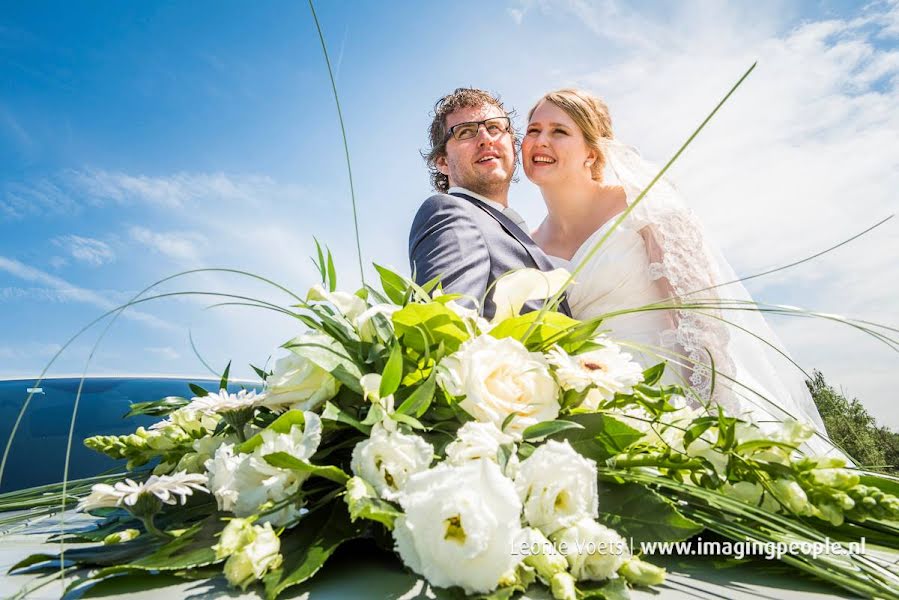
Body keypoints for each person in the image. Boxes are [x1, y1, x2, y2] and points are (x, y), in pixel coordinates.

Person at [521, 88, 831, 448]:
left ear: (592, 150)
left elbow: (700, 318)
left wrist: (705, 417)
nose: (541, 141)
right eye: (533, 130)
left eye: (559, 131)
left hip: (672, 398)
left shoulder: (644, 203)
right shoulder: (529, 243)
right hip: (589, 411)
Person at [409, 87, 570, 319]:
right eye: (465, 132)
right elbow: (447, 328)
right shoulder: (449, 213)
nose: (486, 139)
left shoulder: (517, 229)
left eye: (494, 127)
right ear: (443, 162)